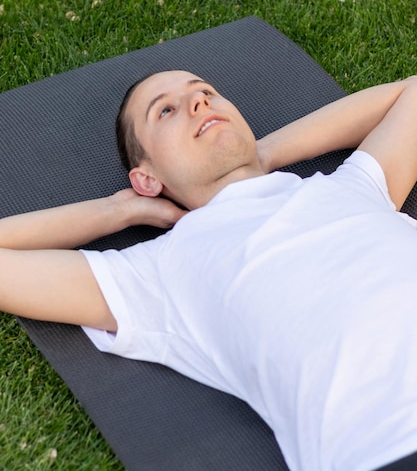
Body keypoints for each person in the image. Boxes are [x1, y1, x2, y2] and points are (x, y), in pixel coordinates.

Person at [1, 69, 417, 471]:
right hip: (386, 447)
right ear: (145, 178)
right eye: (165, 110)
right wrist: (118, 209)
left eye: (205, 92)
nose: (199, 100)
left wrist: (261, 153)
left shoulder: (352, 186)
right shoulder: (157, 272)